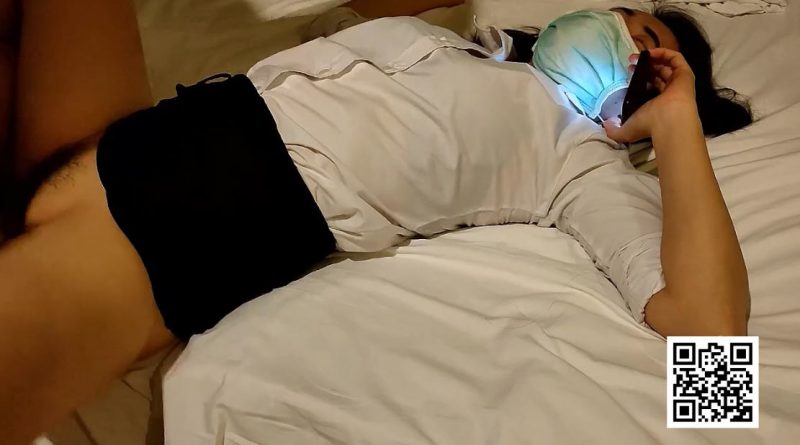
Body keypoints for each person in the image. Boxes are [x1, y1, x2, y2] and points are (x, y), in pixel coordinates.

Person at [0, 0, 752, 442]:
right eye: (624, 18)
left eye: (648, 49)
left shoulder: (577, 160)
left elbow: (711, 337)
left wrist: (677, 123)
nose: (622, 32)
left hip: (180, 224)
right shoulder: (471, 47)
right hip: (135, 136)